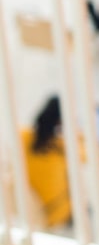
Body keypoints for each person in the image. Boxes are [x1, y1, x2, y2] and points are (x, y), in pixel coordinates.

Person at [21, 96, 76, 228]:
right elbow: (90, 156)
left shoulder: (23, 136)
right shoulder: (61, 145)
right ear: (60, 121)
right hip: (57, 212)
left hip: (32, 209)